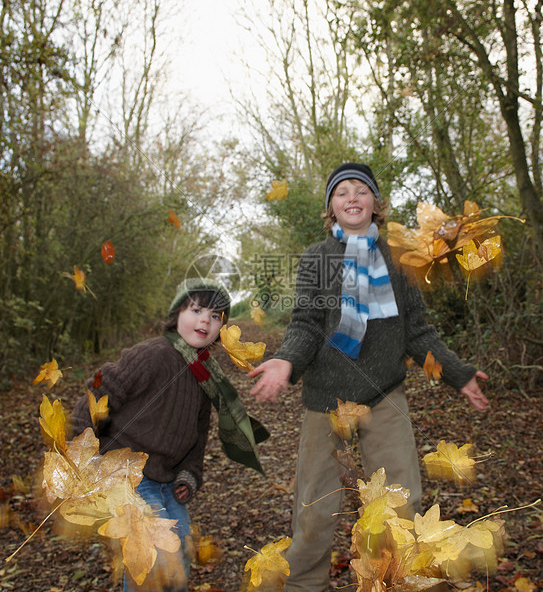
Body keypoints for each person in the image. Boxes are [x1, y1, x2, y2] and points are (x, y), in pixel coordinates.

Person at [249, 163, 489, 592]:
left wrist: (458, 374)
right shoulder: (317, 258)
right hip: (326, 399)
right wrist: (287, 361)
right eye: (343, 193)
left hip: (384, 394)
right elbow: (305, 324)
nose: (353, 198)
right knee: (314, 508)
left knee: (402, 502)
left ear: (376, 203)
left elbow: (417, 331)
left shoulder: (400, 260)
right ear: (331, 208)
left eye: (362, 190)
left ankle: (391, 581)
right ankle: (305, 584)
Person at [71, 278, 268, 592]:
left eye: (216, 316)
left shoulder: (205, 373)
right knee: (153, 555)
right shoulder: (152, 355)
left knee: (181, 548)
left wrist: (190, 473)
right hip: (127, 472)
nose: (206, 319)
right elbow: (100, 387)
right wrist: (81, 448)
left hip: (166, 476)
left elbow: (197, 433)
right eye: (197, 309)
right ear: (177, 313)